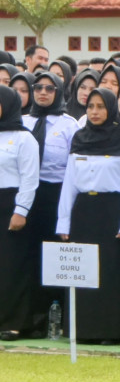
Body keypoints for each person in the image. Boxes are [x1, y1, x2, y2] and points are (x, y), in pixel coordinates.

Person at [55, 89, 120, 344]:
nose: (94, 111)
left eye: (101, 106)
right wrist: (63, 221)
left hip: (111, 211)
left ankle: (110, 331)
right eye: (90, 106)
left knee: (110, 272)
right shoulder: (80, 138)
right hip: (84, 212)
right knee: (82, 270)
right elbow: (69, 183)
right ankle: (82, 330)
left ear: (110, 109)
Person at [21, 72, 76, 337]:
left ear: (59, 91)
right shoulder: (22, 121)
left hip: (56, 194)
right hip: (27, 195)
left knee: (54, 255)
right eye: (38, 87)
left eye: (49, 88)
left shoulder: (68, 124)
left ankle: (56, 318)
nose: (43, 92)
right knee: (28, 255)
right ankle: (30, 318)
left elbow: (73, 167)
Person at [0, 86, 40, 342]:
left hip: (10, 205)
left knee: (11, 267)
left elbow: (29, 178)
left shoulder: (25, 138)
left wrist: (21, 210)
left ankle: (14, 322)